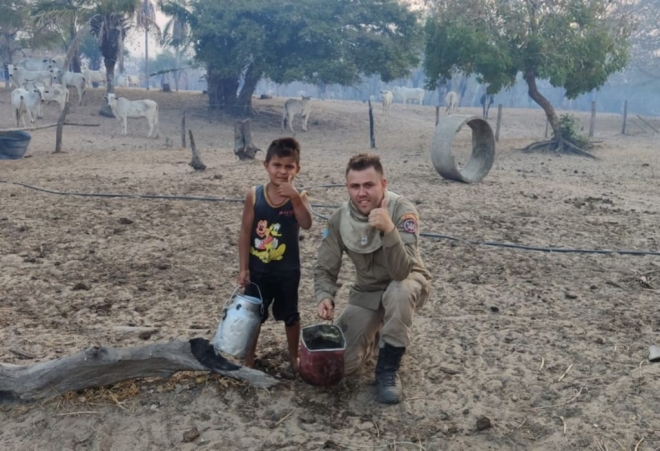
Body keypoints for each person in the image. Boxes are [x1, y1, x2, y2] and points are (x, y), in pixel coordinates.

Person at [314, 153, 432, 404]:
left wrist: (389, 230)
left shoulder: (402, 210)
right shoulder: (339, 219)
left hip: (405, 282)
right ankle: (378, 333)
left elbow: (401, 272)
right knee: (340, 366)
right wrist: (324, 295)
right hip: (367, 292)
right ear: (347, 187)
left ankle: (388, 368)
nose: (362, 193)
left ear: (383, 184)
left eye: (369, 185)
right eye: (355, 186)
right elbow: (325, 267)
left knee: (398, 292)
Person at [237, 137, 312, 372]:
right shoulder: (255, 195)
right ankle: (249, 358)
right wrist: (243, 268)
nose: (282, 171)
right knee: (254, 315)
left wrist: (295, 197)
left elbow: (307, 223)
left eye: (289, 166)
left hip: (288, 271)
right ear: (266, 166)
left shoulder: (300, 196)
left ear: (297, 169)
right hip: (259, 270)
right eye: (277, 165)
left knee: (290, 315)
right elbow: (245, 232)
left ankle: (294, 357)